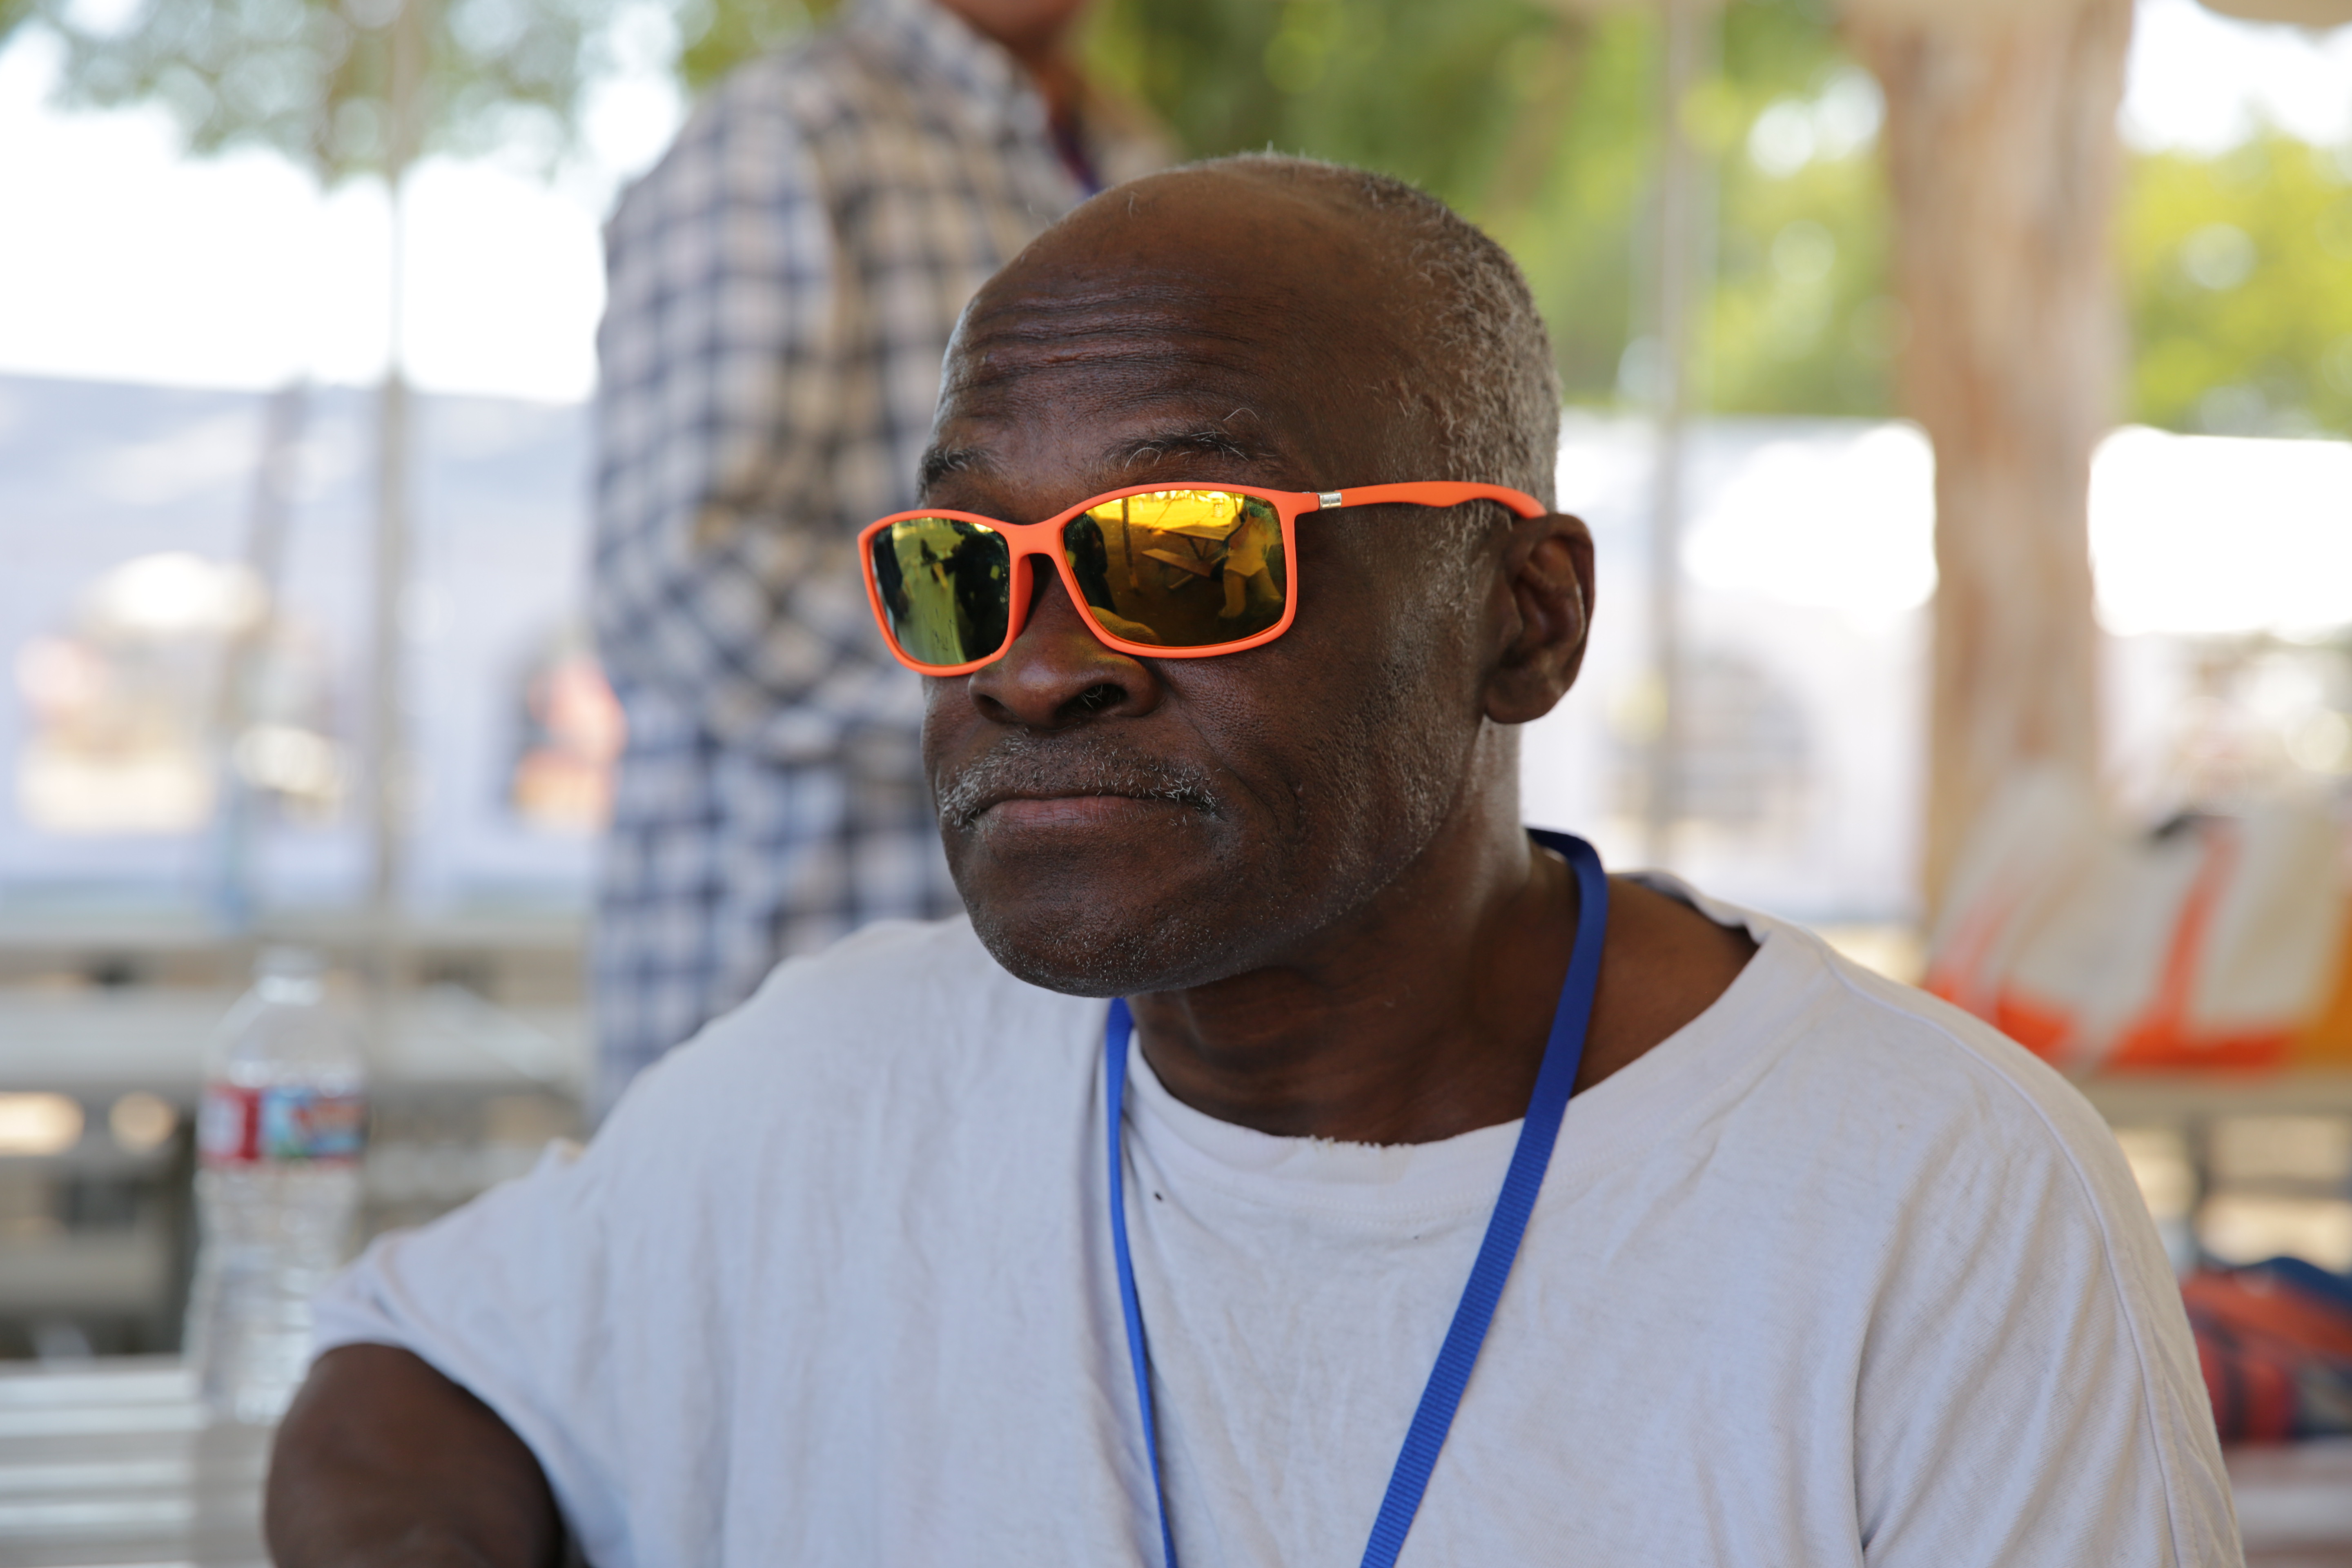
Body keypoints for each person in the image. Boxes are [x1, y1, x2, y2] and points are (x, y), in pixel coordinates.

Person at [270, 158, 2240, 1567]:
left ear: (1526, 620)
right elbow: (405, 1379)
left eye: (1187, 551)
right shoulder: (836, 1084)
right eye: (965, 570)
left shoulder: (1931, 1200)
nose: (1033, 666)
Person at [588, 0, 1164, 1114]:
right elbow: (685, 578)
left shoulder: (1138, 156)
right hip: (796, 1021)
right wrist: (1052, 697)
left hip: (1078, 1029)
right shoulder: (784, 135)